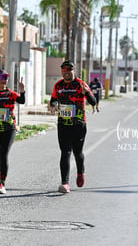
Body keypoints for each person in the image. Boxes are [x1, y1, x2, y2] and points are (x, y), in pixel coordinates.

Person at [49, 60, 96, 193]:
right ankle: (65, 183)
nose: (66, 72)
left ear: (74, 71)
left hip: (78, 124)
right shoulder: (58, 86)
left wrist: (86, 93)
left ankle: (80, 172)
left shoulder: (80, 84)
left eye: (69, 69)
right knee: (65, 152)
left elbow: (93, 101)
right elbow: (53, 99)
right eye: (64, 70)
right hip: (63, 124)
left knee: (77, 153)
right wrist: (52, 104)